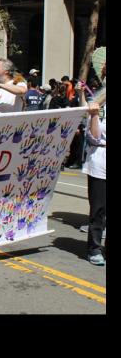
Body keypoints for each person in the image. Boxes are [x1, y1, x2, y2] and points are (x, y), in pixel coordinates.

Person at [82, 91, 106, 266]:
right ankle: (94, 248)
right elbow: (94, 137)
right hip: (100, 162)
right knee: (98, 210)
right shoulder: (98, 106)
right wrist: (95, 115)